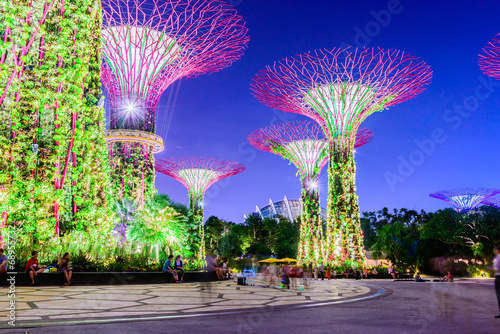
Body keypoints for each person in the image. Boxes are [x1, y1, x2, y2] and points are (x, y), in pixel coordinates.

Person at [493, 246, 500, 319]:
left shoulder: (498, 258)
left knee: (499, 295)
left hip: (499, 278)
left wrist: (493, 269)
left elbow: (497, 268)